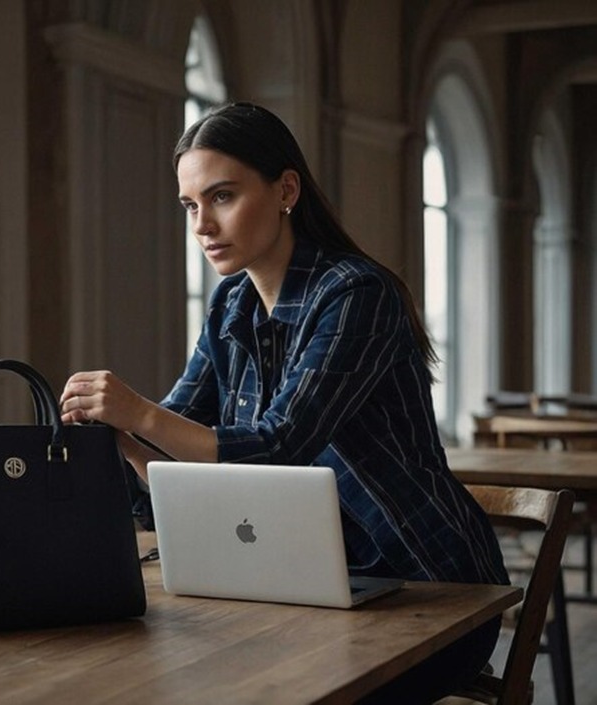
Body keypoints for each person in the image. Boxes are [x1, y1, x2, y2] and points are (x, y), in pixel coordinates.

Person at [59, 102, 508, 704]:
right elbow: (175, 449)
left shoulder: (355, 293)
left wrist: (137, 414)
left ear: (285, 189)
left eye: (222, 197)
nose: (201, 224)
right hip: (299, 582)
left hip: (425, 588)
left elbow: (281, 443)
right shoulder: (229, 308)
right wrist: (100, 436)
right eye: (191, 206)